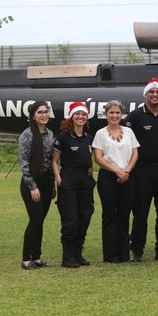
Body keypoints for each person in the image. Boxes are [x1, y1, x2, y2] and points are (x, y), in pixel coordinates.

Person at [125, 78, 158, 261]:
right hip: (142, 171)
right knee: (141, 212)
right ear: (145, 94)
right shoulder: (134, 116)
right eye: (151, 92)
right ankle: (137, 250)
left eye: (157, 92)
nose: (155, 95)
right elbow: (126, 143)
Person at [92, 100, 139, 263]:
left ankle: (124, 253)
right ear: (106, 115)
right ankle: (111, 255)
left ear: (122, 114)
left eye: (117, 112)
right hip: (108, 177)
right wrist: (116, 171)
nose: (114, 115)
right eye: (111, 112)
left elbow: (135, 154)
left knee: (124, 214)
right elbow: (98, 157)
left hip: (127, 176)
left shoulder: (129, 132)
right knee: (110, 214)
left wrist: (126, 171)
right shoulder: (100, 133)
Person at [51, 102, 95, 268]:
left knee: (85, 216)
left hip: (85, 180)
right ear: (71, 117)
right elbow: (55, 161)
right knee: (71, 220)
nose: (80, 117)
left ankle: (78, 253)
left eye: (83, 114)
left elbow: (91, 160)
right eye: (77, 114)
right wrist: (59, 179)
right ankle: (67, 257)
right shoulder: (63, 137)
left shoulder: (88, 138)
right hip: (68, 179)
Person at [18, 100, 55, 270]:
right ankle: (26, 259)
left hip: (47, 182)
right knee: (35, 220)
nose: (44, 115)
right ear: (33, 116)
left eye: (46, 111)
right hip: (31, 183)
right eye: (40, 112)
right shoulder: (27, 135)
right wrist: (32, 187)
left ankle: (37, 257)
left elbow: (51, 162)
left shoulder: (50, 134)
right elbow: (24, 163)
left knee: (41, 221)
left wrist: (52, 184)